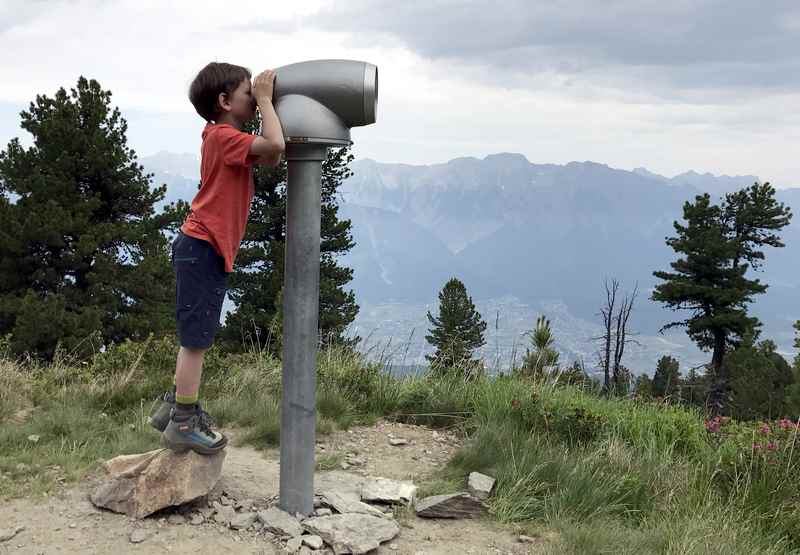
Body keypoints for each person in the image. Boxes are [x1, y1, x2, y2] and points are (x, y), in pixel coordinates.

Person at [148, 62, 285, 454]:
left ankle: (174, 405)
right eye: (248, 96)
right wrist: (265, 99)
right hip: (202, 248)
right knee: (197, 340)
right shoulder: (225, 137)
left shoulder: (225, 138)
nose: (257, 103)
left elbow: (273, 156)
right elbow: (275, 145)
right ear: (225, 101)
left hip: (202, 248)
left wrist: (263, 105)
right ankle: (184, 421)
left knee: (197, 334)